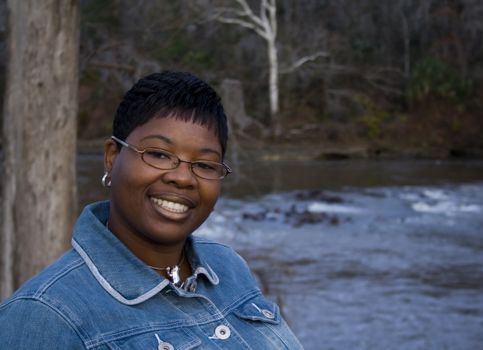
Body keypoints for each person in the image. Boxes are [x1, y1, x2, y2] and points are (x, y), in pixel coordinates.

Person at [0, 71, 303, 349]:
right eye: (158, 154)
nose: (183, 178)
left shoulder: (227, 267)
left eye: (204, 164)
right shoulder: (45, 315)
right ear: (111, 157)